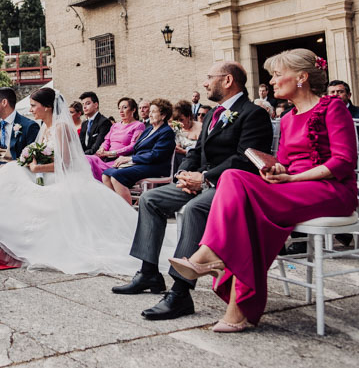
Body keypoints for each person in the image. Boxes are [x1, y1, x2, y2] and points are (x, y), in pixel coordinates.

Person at [169, 49, 358, 331]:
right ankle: (224, 278)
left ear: (302, 77)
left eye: (278, 74)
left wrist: (293, 179)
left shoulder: (332, 108)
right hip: (293, 188)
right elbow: (284, 162)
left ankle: (222, 277)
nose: (272, 81)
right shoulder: (289, 118)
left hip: (330, 190)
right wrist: (276, 170)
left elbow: (343, 162)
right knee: (233, 177)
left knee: (244, 212)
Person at [115, 61, 273, 324]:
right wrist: (184, 175)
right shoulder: (213, 114)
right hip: (199, 181)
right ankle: (149, 272)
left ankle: (180, 291)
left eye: (210, 77)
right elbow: (196, 151)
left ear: (228, 80)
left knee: (193, 210)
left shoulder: (252, 114)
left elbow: (245, 159)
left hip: (230, 186)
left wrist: (205, 178)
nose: (205, 83)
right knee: (151, 199)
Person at [0, 87, 175, 275]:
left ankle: (1, 228)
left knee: (13, 177)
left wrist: (37, 167)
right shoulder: (45, 127)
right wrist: (28, 161)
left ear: (48, 107)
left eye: (34, 106)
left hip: (61, 177)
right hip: (44, 173)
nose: (31, 110)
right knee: (9, 172)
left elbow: (65, 164)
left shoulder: (60, 128)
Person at [101, 98, 175, 204]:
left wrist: (130, 159)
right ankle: (116, 208)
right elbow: (136, 147)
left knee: (117, 177)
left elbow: (156, 155)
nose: (150, 114)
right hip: (141, 163)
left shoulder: (166, 132)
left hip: (155, 166)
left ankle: (127, 213)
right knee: (106, 174)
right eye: (150, 112)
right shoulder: (149, 129)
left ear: (163, 115)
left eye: (154, 112)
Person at [87, 97, 146, 180]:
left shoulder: (138, 125)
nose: (121, 111)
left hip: (120, 160)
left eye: (125, 108)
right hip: (105, 157)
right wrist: (102, 149)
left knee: (91, 164)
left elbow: (133, 146)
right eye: (119, 108)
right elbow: (107, 140)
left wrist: (110, 153)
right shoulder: (115, 125)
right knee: (86, 159)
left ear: (133, 110)